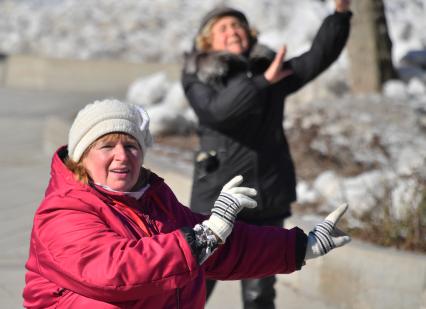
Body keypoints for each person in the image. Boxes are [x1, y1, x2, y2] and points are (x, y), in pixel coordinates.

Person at [23, 99, 350, 308]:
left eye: (131, 146)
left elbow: (224, 248)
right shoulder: (64, 210)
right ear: (82, 156)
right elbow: (115, 273)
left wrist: (298, 247)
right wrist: (203, 238)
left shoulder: (154, 200)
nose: (122, 156)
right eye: (106, 145)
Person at [181, 1, 352, 308]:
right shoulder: (198, 74)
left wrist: (339, 16)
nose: (233, 31)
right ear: (208, 40)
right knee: (198, 283)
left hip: (267, 195)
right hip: (218, 197)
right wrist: (260, 83)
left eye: (237, 25)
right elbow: (219, 112)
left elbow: (317, 58)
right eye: (223, 28)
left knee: (260, 293)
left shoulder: (268, 67)